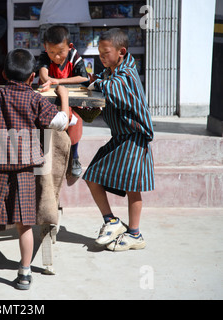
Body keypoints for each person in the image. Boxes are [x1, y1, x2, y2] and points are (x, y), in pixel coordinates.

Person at [0, 49, 72, 290]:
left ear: (3, 73)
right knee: (25, 224)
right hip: (25, 169)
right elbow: (61, 122)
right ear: (33, 77)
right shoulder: (35, 100)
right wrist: (62, 95)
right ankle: (24, 274)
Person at [83, 28, 155, 251]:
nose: (101, 57)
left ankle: (135, 234)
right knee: (92, 175)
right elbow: (106, 83)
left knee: (134, 187)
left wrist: (97, 84)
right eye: (99, 53)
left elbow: (115, 88)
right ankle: (112, 221)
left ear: (121, 51)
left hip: (134, 138)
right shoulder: (112, 71)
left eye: (105, 53)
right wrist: (97, 80)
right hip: (120, 138)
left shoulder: (127, 74)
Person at [38, 25, 89, 177]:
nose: (57, 57)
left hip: (71, 98)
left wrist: (59, 81)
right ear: (46, 48)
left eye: (61, 52)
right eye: (52, 52)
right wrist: (49, 80)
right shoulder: (45, 56)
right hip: (50, 100)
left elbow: (84, 77)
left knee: (74, 123)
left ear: (69, 47)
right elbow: (43, 75)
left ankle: (74, 156)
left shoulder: (74, 56)